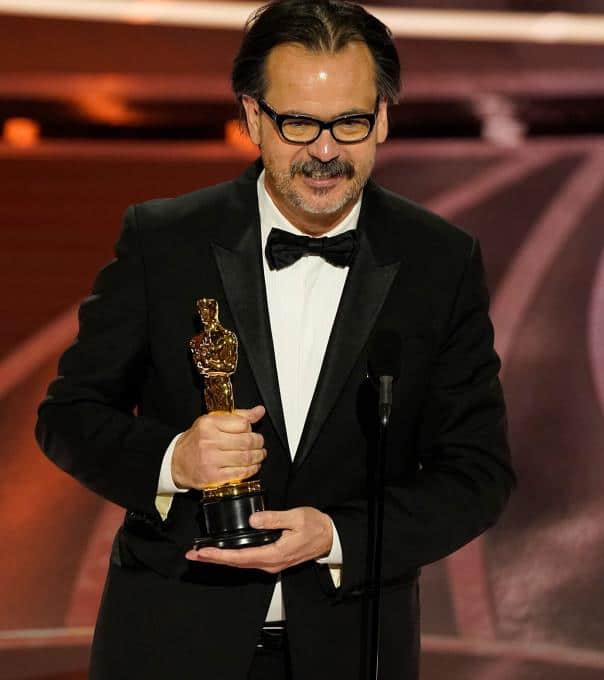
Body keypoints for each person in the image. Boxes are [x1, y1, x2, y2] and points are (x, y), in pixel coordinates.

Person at [35, 1, 515, 679]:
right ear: (253, 117)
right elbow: (68, 416)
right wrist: (174, 460)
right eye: (299, 123)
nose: (325, 150)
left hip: (353, 649)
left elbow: (478, 475)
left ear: (382, 117)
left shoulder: (441, 261)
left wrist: (336, 535)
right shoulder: (163, 241)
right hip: (169, 644)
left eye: (349, 122)